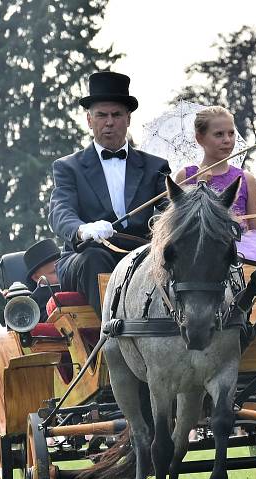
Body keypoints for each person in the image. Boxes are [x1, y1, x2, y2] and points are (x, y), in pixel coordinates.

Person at [48, 71, 170, 315]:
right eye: (101, 115)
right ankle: (114, 338)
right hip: (86, 256)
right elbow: (60, 211)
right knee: (95, 258)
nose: (109, 122)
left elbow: (173, 206)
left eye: (116, 115)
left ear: (128, 118)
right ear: (89, 120)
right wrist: (83, 230)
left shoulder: (155, 166)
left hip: (140, 256)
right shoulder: (67, 167)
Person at [174, 106, 256, 309]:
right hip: (200, 250)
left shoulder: (245, 178)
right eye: (219, 134)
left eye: (231, 133)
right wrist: (201, 186)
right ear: (200, 138)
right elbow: (180, 226)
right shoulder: (186, 177)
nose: (227, 140)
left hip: (242, 248)